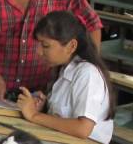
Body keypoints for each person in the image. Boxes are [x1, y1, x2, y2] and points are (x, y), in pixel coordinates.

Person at [17, 11, 114, 144]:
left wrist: (34, 115)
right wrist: (45, 108)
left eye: (45, 46)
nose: (39, 52)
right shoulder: (63, 70)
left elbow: (83, 129)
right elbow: (64, 118)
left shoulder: (87, 73)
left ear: (71, 46)